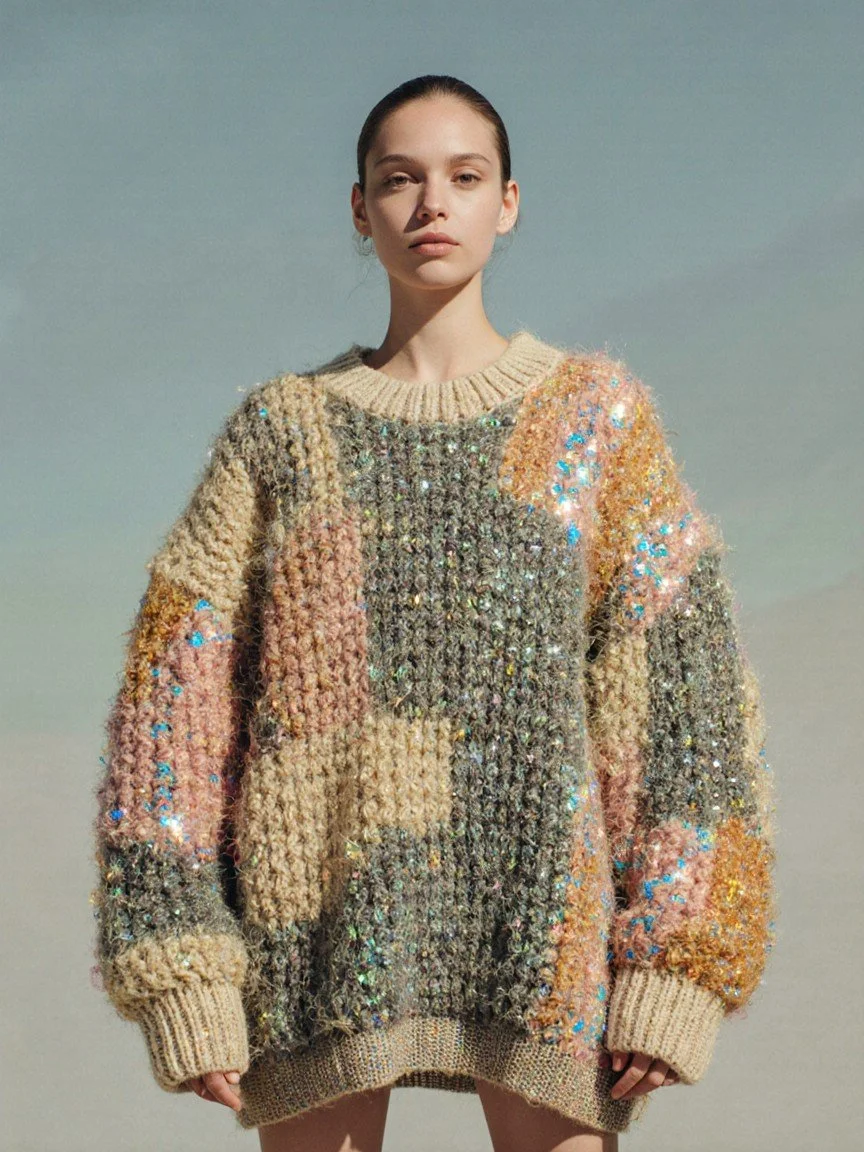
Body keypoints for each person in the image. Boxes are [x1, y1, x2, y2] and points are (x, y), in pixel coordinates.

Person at [90, 74, 778, 1152]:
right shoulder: (286, 435)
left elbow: (689, 708)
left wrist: (679, 959)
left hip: (548, 937)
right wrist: (183, 967)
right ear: (359, 210)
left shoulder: (592, 423)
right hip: (315, 937)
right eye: (399, 180)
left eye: (464, 177)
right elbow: (171, 719)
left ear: (509, 201)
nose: (432, 205)